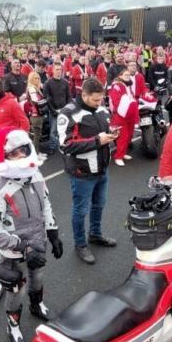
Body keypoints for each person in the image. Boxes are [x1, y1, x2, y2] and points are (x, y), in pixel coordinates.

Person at [0, 127, 62, 342]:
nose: (21, 156)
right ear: (3, 156)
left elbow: (46, 204)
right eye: (14, 153)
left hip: (39, 241)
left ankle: (37, 306)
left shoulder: (35, 174)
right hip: (14, 251)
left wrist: (53, 232)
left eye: (24, 150)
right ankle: (13, 325)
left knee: (38, 279)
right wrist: (23, 248)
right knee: (17, 290)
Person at [57, 78, 117, 264]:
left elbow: (103, 130)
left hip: (102, 168)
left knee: (99, 205)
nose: (100, 103)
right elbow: (66, 145)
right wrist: (98, 141)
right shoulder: (68, 114)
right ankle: (80, 244)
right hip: (82, 173)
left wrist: (112, 133)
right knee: (81, 210)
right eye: (95, 100)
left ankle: (95, 234)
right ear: (83, 95)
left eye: (101, 99)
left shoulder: (102, 109)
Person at [109, 69, 138, 166]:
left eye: (128, 75)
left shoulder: (127, 85)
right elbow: (116, 101)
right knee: (123, 136)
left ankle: (123, 152)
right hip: (120, 114)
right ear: (120, 76)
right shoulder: (116, 86)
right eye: (125, 75)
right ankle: (118, 156)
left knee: (129, 135)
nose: (127, 76)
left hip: (129, 114)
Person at [43, 62, 71, 154]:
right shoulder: (48, 83)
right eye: (57, 69)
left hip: (64, 110)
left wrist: (67, 109)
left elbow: (69, 96)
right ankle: (52, 147)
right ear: (53, 71)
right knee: (53, 131)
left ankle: (64, 145)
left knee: (65, 130)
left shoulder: (65, 82)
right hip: (54, 111)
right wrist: (53, 111)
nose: (59, 71)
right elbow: (47, 99)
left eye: (60, 69)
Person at [25, 71, 47, 156]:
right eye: (35, 78)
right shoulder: (31, 88)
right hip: (35, 115)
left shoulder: (35, 87)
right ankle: (36, 154)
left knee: (38, 135)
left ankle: (37, 152)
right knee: (36, 136)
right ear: (31, 79)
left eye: (38, 78)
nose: (37, 79)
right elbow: (36, 101)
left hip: (38, 114)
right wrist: (45, 101)